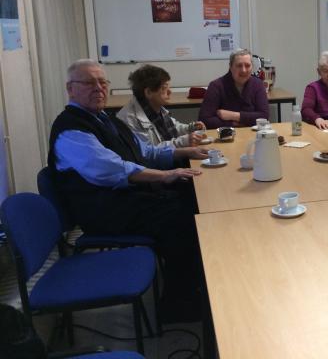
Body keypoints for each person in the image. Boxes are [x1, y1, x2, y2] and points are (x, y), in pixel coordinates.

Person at [48, 59, 208, 322]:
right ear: (70, 88)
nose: (98, 88)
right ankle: (178, 305)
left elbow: (146, 151)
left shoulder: (106, 119)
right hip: (102, 210)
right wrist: (166, 175)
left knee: (191, 196)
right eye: (89, 83)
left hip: (124, 199)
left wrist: (184, 152)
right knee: (183, 218)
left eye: (103, 82)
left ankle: (192, 284)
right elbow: (112, 169)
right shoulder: (71, 130)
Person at [117, 64, 206, 148]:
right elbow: (148, 151)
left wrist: (190, 128)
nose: (170, 92)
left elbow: (174, 128)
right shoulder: (129, 119)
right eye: (164, 88)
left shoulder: (155, 107)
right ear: (148, 92)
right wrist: (182, 142)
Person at [198, 48, 269, 128]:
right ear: (230, 67)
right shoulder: (216, 86)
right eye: (239, 65)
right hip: (225, 136)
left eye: (247, 65)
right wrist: (233, 124)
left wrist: (233, 116)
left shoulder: (258, 84)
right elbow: (204, 120)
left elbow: (264, 116)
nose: (244, 70)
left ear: (252, 67)